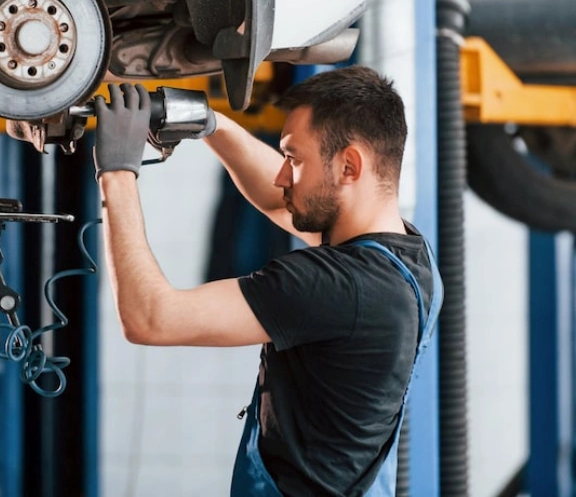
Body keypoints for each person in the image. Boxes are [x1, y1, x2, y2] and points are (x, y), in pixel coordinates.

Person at [91, 66, 443, 496]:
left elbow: (150, 317)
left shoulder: (331, 287)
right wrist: (209, 123)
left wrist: (115, 171)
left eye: (294, 160)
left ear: (349, 165)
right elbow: (281, 205)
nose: (282, 175)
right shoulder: (410, 259)